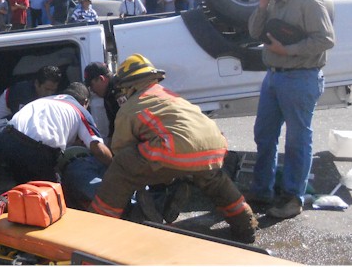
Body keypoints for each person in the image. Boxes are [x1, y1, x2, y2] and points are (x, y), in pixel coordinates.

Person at [88, 54, 258, 243]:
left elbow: (121, 150)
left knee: (121, 167)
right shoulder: (171, 97)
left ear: (129, 85)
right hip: (215, 145)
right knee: (213, 180)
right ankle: (245, 224)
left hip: (175, 151)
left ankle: (98, 229)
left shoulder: (130, 107)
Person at [246, 0, 335, 219]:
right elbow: (253, 33)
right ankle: (262, 189)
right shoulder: (271, 1)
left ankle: (292, 198)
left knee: (297, 140)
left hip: (301, 77)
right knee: (264, 134)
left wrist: (289, 50)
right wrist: (261, 6)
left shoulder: (307, 1)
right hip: (273, 76)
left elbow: (326, 39)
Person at [0, 82, 113, 184]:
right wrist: (115, 167)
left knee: (26, 190)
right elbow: (98, 148)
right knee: (53, 195)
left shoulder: (45, 100)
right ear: (85, 102)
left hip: (6, 140)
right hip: (34, 151)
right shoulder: (80, 110)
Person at [0, 65, 63, 141]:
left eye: (53, 90)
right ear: (37, 84)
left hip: (12, 123)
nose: (50, 94)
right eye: (47, 89)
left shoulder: (49, 94)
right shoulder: (22, 93)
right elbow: (22, 124)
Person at [82, 62, 120, 138]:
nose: (91, 90)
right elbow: (114, 124)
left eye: (91, 85)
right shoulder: (107, 95)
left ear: (101, 79)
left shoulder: (120, 90)